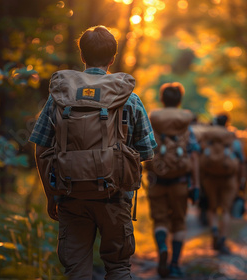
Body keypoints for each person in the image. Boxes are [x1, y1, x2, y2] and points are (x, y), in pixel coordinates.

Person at [29, 26, 157, 279]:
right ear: (112, 58)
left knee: (76, 268)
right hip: (115, 197)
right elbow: (146, 152)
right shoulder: (129, 99)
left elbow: (41, 145)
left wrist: (51, 194)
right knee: (118, 267)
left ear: (82, 56)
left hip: (70, 194)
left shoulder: (61, 96)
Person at [145, 82, 200, 278]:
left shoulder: (153, 122)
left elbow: (144, 150)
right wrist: (196, 184)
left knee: (159, 220)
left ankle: (161, 247)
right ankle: (175, 264)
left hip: (156, 181)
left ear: (162, 99)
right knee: (179, 222)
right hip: (180, 181)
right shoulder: (185, 125)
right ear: (179, 101)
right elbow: (193, 155)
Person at [200, 114, 245, 254]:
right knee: (226, 210)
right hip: (229, 178)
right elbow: (241, 161)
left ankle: (214, 230)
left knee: (212, 208)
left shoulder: (207, 138)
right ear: (227, 123)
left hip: (209, 178)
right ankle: (223, 239)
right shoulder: (232, 139)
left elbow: (199, 157)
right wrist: (242, 180)